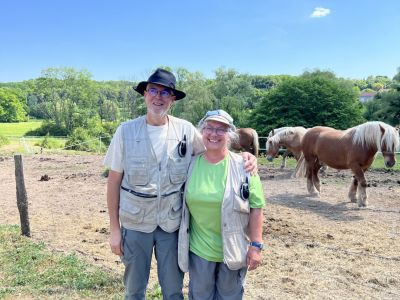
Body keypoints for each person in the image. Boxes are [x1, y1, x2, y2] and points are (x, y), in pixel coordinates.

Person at [104, 68, 257, 300]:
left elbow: (214, 150)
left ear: (173, 99)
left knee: (174, 291)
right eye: (153, 90)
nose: (159, 97)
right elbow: (113, 182)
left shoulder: (185, 130)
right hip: (135, 224)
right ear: (144, 94)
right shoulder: (125, 132)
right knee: (134, 290)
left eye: (165, 93)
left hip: (172, 226)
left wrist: (244, 158)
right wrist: (115, 230)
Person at [178, 109, 265, 300]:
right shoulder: (190, 164)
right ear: (202, 132)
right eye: (209, 128)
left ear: (230, 135)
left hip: (233, 251)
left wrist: (256, 246)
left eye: (221, 129)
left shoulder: (244, 167)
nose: (214, 134)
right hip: (199, 251)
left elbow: (256, 207)